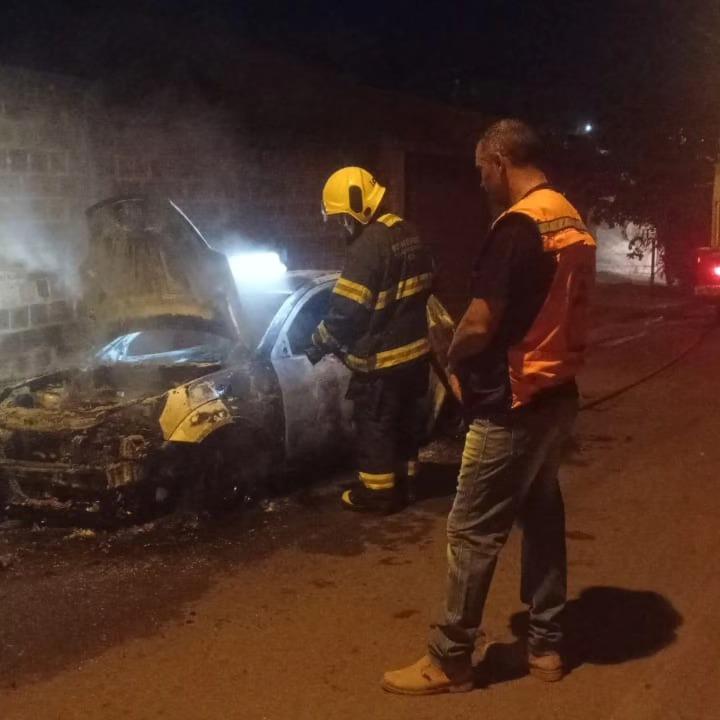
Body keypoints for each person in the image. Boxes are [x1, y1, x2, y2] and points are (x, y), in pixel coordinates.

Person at [382, 119, 596, 694]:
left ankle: (450, 657)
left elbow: (480, 322)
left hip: (514, 402)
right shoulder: (569, 219)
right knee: (543, 515)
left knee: (471, 531)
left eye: (482, 171)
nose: (480, 183)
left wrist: (451, 359)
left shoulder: (518, 227)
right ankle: (546, 646)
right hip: (558, 396)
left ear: (500, 161)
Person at [308, 166, 434, 514]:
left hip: (381, 362)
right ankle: (406, 484)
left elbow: (346, 312)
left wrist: (315, 344)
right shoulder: (409, 233)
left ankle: (379, 495)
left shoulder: (367, 247)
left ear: (357, 209)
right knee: (405, 424)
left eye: (341, 217)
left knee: (375, 426)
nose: (341, 226)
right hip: (415, 357)